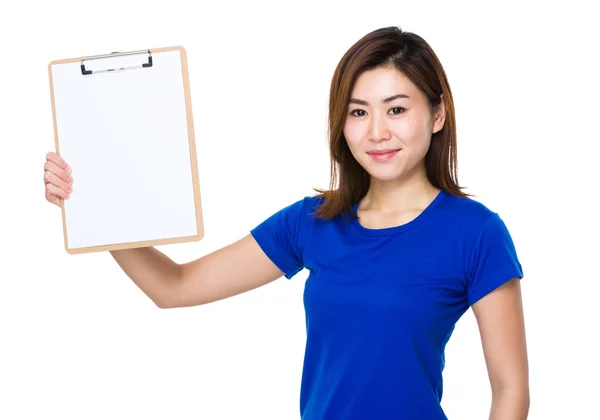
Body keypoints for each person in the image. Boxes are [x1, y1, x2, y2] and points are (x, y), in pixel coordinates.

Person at [43, 26, 529, 420]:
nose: (377, 132)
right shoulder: (313, 222)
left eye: (397, 109)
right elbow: (174, 286)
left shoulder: (476, 233)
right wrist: (94, 206)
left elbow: (511, 392)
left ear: (438, 113)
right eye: (359, 112)